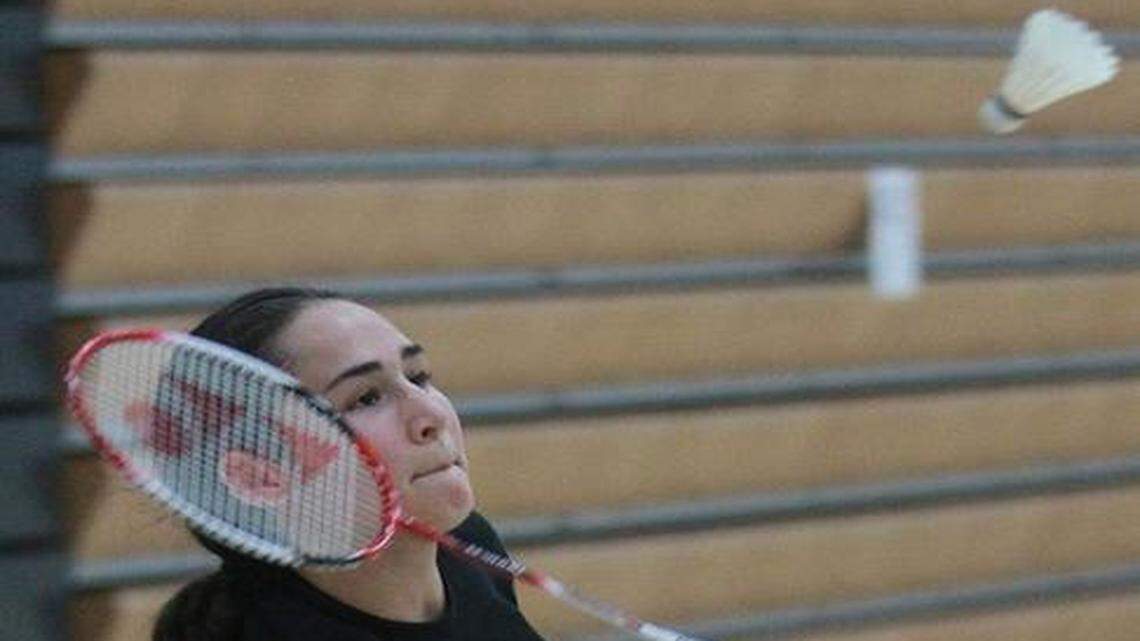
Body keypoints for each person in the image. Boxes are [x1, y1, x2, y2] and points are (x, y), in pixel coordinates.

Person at [152, 287, 546, 641]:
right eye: (366, 399)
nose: (430, 414)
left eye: (418, 376)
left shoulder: (469, 549)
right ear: (258, 477)